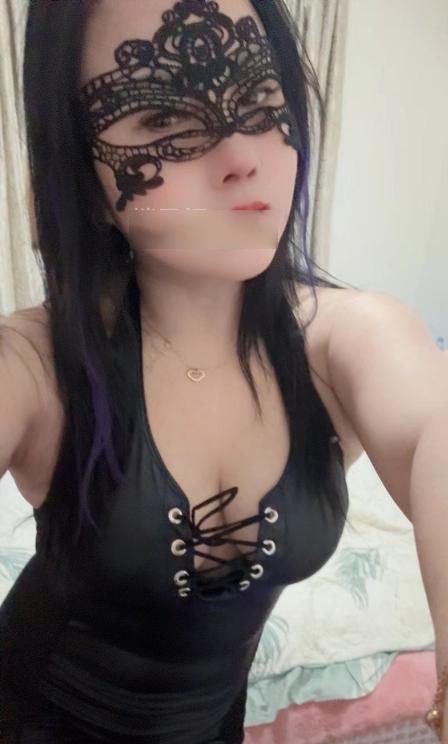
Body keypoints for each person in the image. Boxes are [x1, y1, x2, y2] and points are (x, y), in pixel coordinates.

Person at [2, 0, 445, 743]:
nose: (242, 153)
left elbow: (437, 426)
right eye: (164, 119)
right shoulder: (36, 363)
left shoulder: (345, 340)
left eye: (259, 99)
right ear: (83, 178)